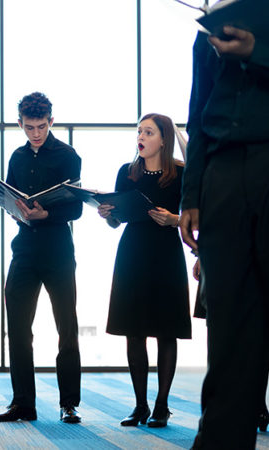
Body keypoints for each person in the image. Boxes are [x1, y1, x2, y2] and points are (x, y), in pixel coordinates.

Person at [179, 3, 269, 445]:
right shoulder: (210, 32)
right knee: (230, 323)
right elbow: (197, 114)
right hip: (222, 175)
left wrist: (257, 51)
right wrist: (191, 193)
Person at [0, 92, 83, 424]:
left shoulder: (69, 156)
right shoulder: (16, 157)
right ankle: (23, 404)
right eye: (29, 127)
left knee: (66, 328)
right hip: (24, 249)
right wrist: (17, 210)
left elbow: (76, 208)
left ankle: (69, 403)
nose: (36, 133)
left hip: (58, 249)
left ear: (51, 121)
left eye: (41, 126)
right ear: (20, 124)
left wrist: (47, 214)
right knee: (17, 328)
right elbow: (9, 197)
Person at [98, 113, 191, 428]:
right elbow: (117, 220)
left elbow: (197, 216)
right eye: (139, 131)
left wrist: (174, 219)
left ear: (163, 139)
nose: (141, 136)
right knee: (133, 329)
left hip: (166, 252)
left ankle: (161, 406)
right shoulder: (127, 173)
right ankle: (140, 406)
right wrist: (107, 214)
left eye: (148, 132)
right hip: (133, 252)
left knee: (166, 330)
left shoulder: (181, 172)